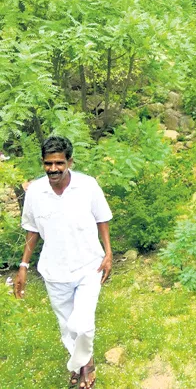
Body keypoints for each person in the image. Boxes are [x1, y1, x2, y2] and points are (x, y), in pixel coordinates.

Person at [14, 136, 113, 389]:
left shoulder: (88, 186)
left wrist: (108, 253)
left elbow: (102, 219)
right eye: (48, 163)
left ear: (70, 161)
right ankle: (79, 363)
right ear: (43, 163)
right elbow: (32, 230)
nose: (53, 169)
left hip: (89, 266)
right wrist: (23, 267)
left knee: (84, 325)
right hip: (54, 271)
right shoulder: (36, 191)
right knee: (67, 327)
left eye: (59, 162)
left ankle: (85, 364)